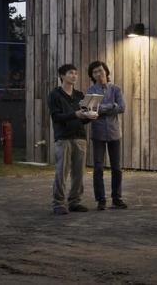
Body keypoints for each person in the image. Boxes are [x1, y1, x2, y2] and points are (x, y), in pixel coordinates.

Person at [48, 63, 96, 215]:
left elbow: (82, 118)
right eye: (70, 73)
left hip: (79, 137)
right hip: (63, 138)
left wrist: (90, 117)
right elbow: (56, 117)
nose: (74, 76)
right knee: (62, 172)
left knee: (78, 172)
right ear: (62, 76)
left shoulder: (80, 96)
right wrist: (75, 114)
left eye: (76, 73)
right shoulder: (55, 95)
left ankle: (75, 201)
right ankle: (58, 203)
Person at [86, 60, 128, 210]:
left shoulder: (116, 89)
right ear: (92, 75)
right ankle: (101, 200)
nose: (99, 73)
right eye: (95, 72)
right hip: (97, 134)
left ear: (106, 71)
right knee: (98, 168)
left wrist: (101, 108)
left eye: (100, 70)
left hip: (114, 133)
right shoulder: (90, 91)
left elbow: (122, 107)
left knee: (116, 168)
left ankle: (117, 198)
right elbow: (90, 110)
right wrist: (111, 106)